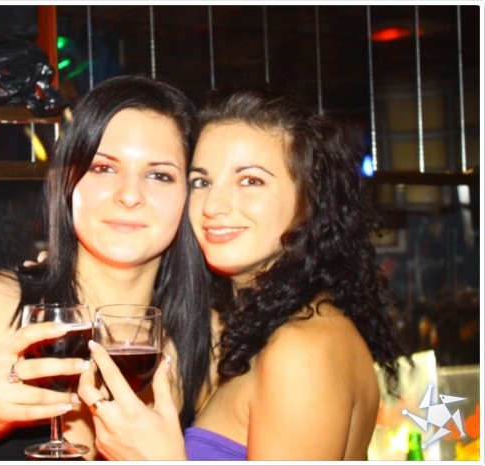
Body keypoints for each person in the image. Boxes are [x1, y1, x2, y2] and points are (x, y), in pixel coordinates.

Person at [0, 75, 212, 461]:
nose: (129, 195)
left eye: (159, 175)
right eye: (103, 168)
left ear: (190, 193)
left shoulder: (205, 338)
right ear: (69, 182)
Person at [79, 83, 405, 460]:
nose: (214, 205)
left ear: (309, 201)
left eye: (250, 181)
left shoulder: (300, 349)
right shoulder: (259, 332)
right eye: (202, 182)